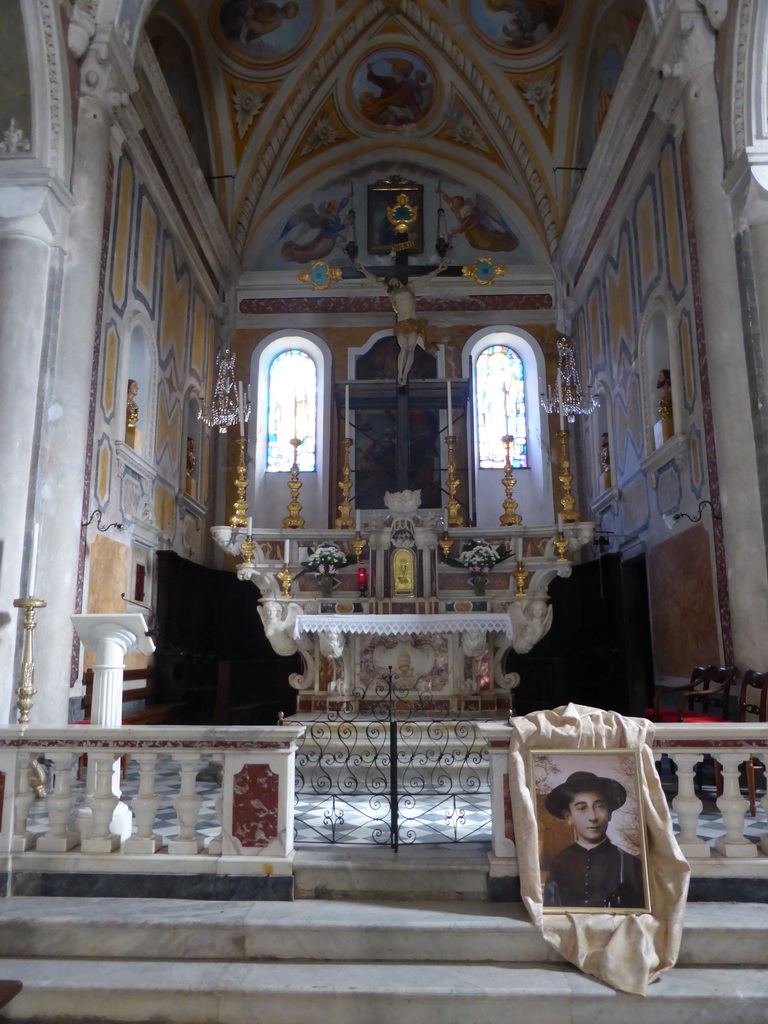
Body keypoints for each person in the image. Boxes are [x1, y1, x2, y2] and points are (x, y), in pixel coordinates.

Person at [542, 770, 645, 909]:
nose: (593, 817)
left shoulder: (629, 864)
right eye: (582, 808)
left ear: (609, 814)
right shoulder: (558, 863)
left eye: (599, 806)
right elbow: (551, 910)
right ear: (569, 817)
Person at [355, 259, 448, 385]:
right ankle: (400, 375)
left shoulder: (410, 287)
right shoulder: (392, 293)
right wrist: (364, 270)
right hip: (402, 323)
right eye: (391, 282)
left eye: (394, 280)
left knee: (410, 348)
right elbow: (375, 281)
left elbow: (426, 278)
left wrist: (439, 269)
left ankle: (405, 375)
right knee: (404, 348)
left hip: (414, 322)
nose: (393, 283)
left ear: (398, 279)